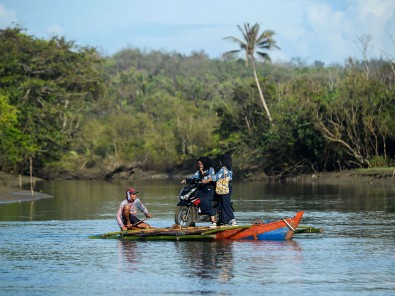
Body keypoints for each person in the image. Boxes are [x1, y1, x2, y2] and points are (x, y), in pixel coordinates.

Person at [181, 156, 217, 227]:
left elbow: (211, 177)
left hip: (208, 189)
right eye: (199, 164)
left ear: (205, 163)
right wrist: (186, 180)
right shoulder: (199, 171)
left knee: (205, 202)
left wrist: (203, 173)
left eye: (201, 164)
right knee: (194, 199)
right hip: (201, 188)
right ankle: (192, 220)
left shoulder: (210, 169)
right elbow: (194, 177)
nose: (200, 166)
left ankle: (213, 221)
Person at [202, 154, 237, 226]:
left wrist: (207, 180)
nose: (220, 162)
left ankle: (233, 220)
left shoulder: (223, 169)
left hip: (224, 188)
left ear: (223, 161)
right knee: (221, 204)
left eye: (221, 160)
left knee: (225, 205)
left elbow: (216, 177)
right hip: (227, 187)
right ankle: (223, 221)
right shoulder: (229, 169)